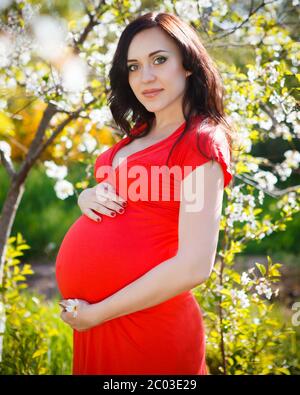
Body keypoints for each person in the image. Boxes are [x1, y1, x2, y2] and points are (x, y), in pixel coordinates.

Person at [55, 11, 233, 375]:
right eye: (133, 67)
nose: (145, 77)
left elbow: (193, 265)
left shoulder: (199, 142)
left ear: (187, 64)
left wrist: (96, 313)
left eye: (159, 60)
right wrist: (85, 196)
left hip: (145, 326)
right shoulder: (138, 134)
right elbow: (128, 201)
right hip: (95, 325)